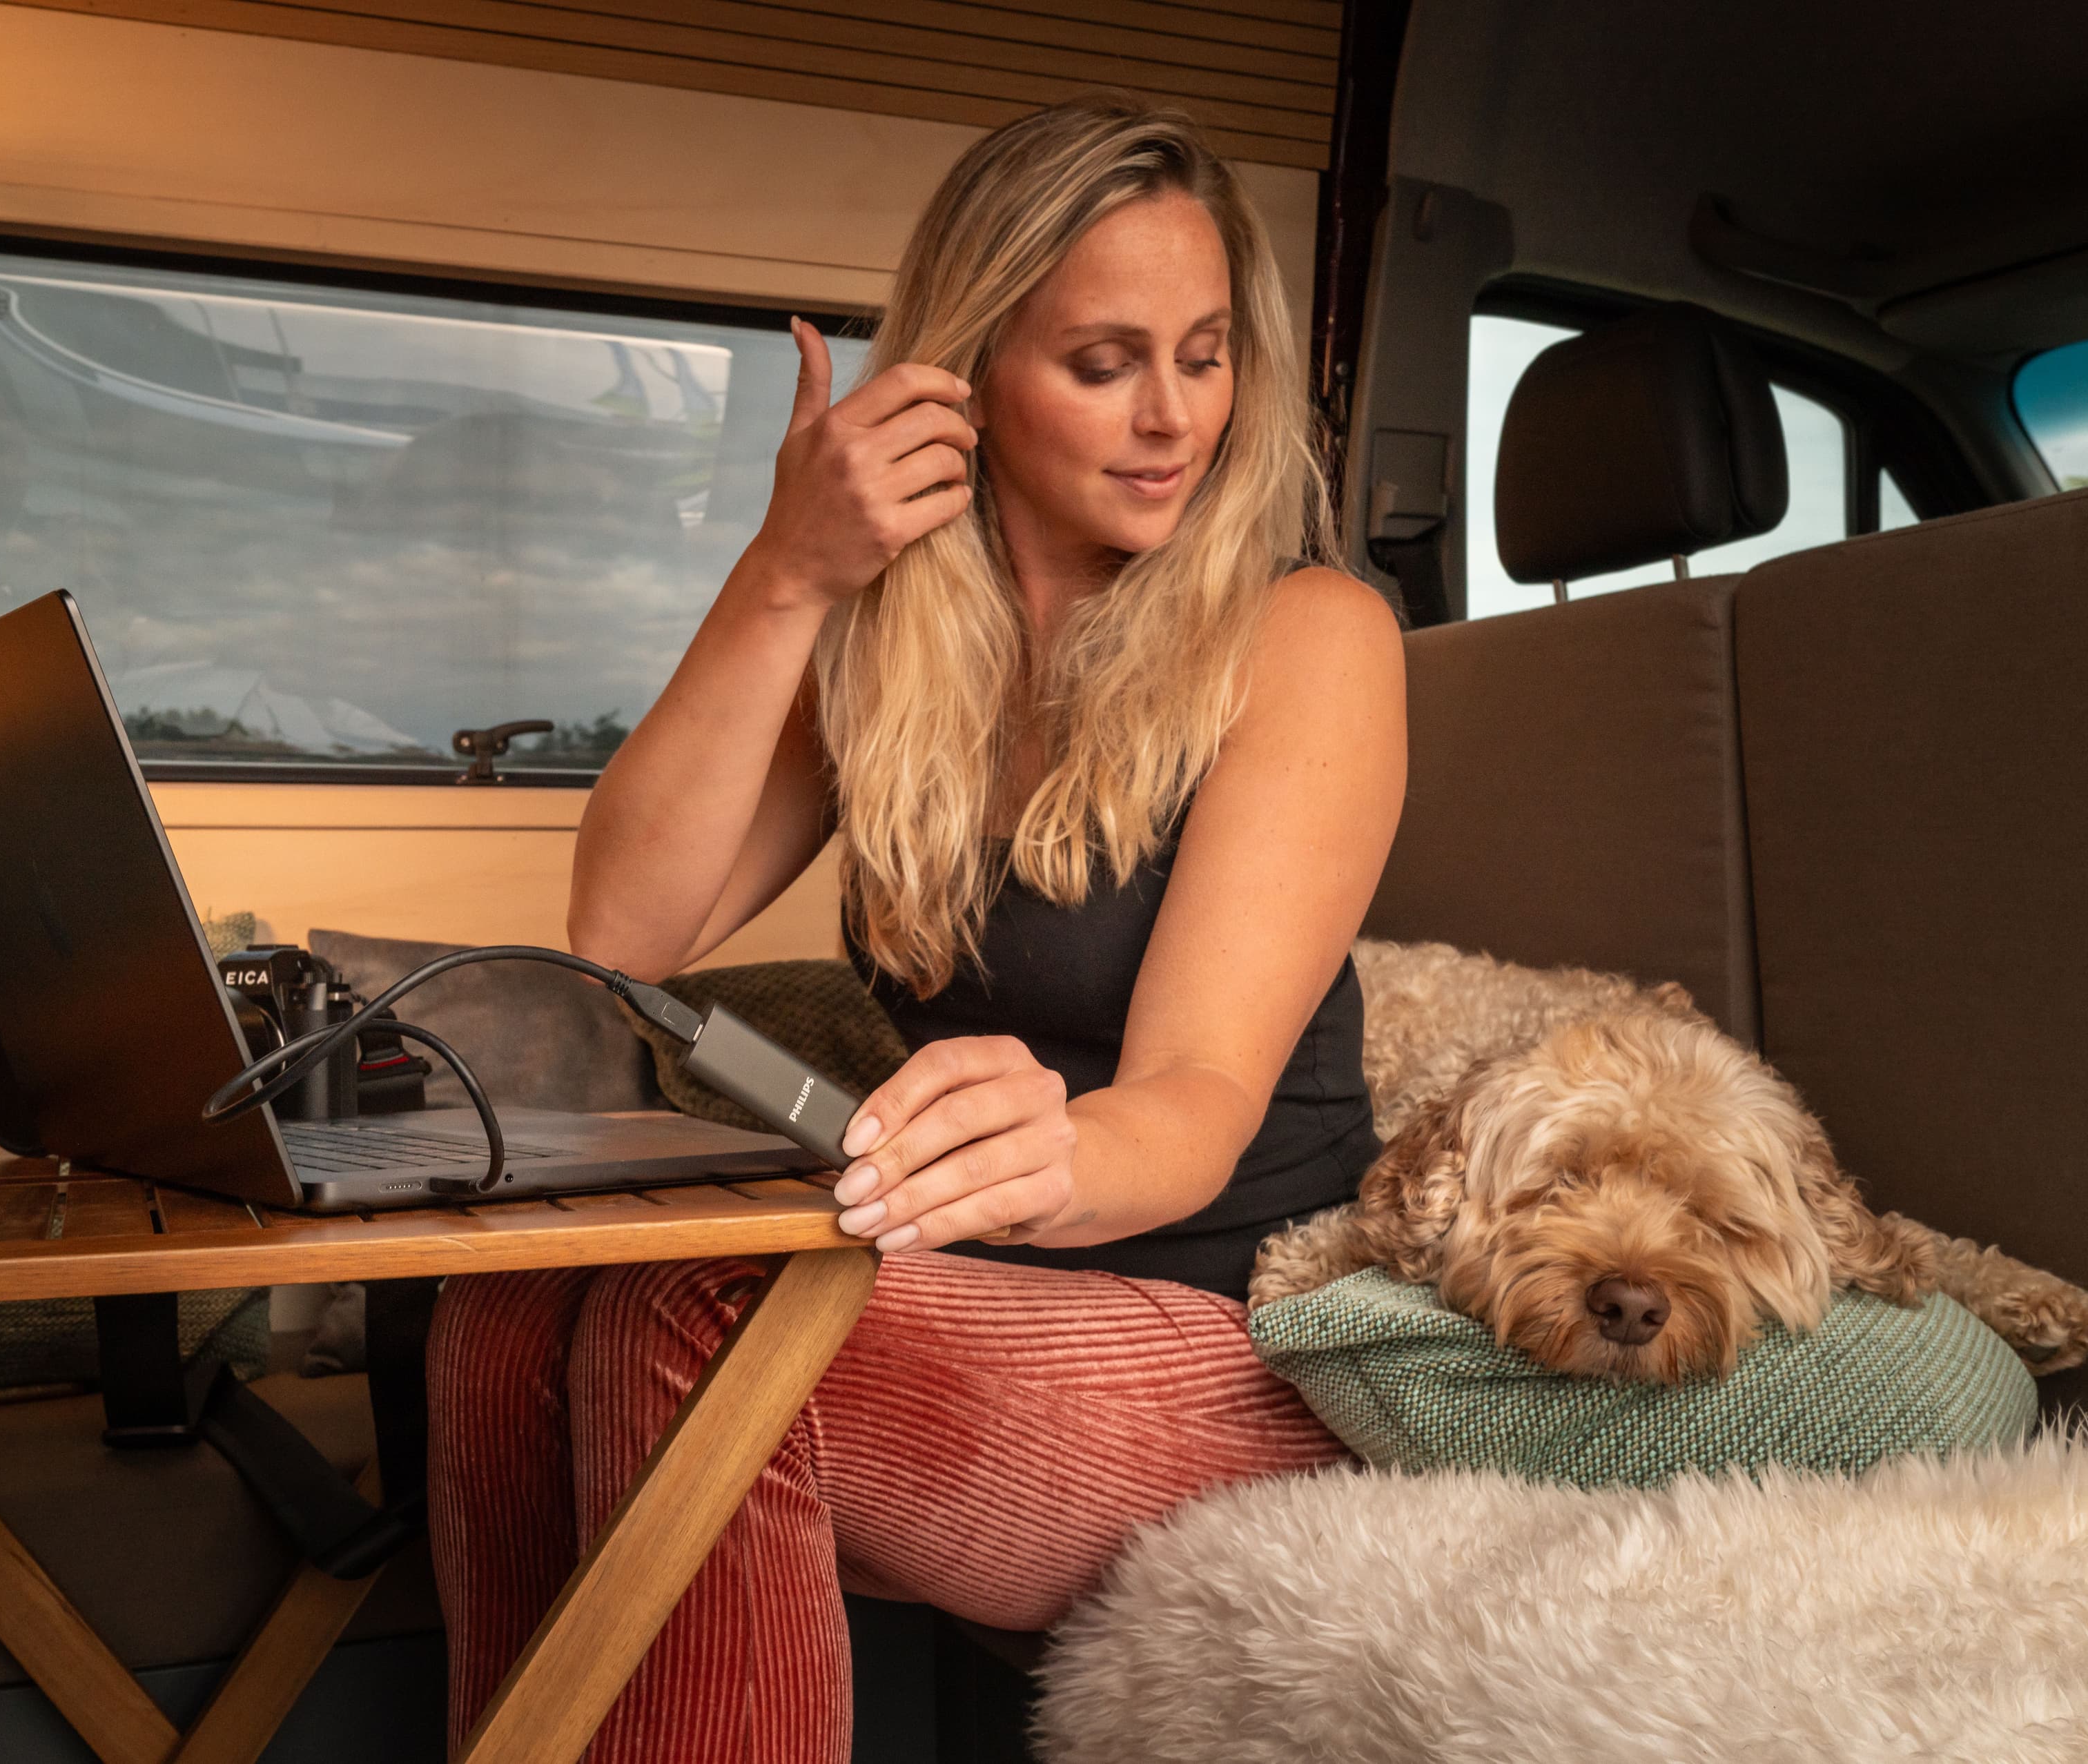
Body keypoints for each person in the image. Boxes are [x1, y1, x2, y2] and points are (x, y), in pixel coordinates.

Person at [429, 95, 1407, 1761]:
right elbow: (626, 924)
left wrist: (1052, 1155)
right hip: (976, 1285)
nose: (1173, 417)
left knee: (704, 1323)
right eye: (1103, 363)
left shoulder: (1309, 633)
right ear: (966, 376)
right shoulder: (892, 648)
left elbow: (1195, 1102)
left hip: (1240, 1329)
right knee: (504, 1308)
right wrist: (787, 575)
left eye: (1206, 356)